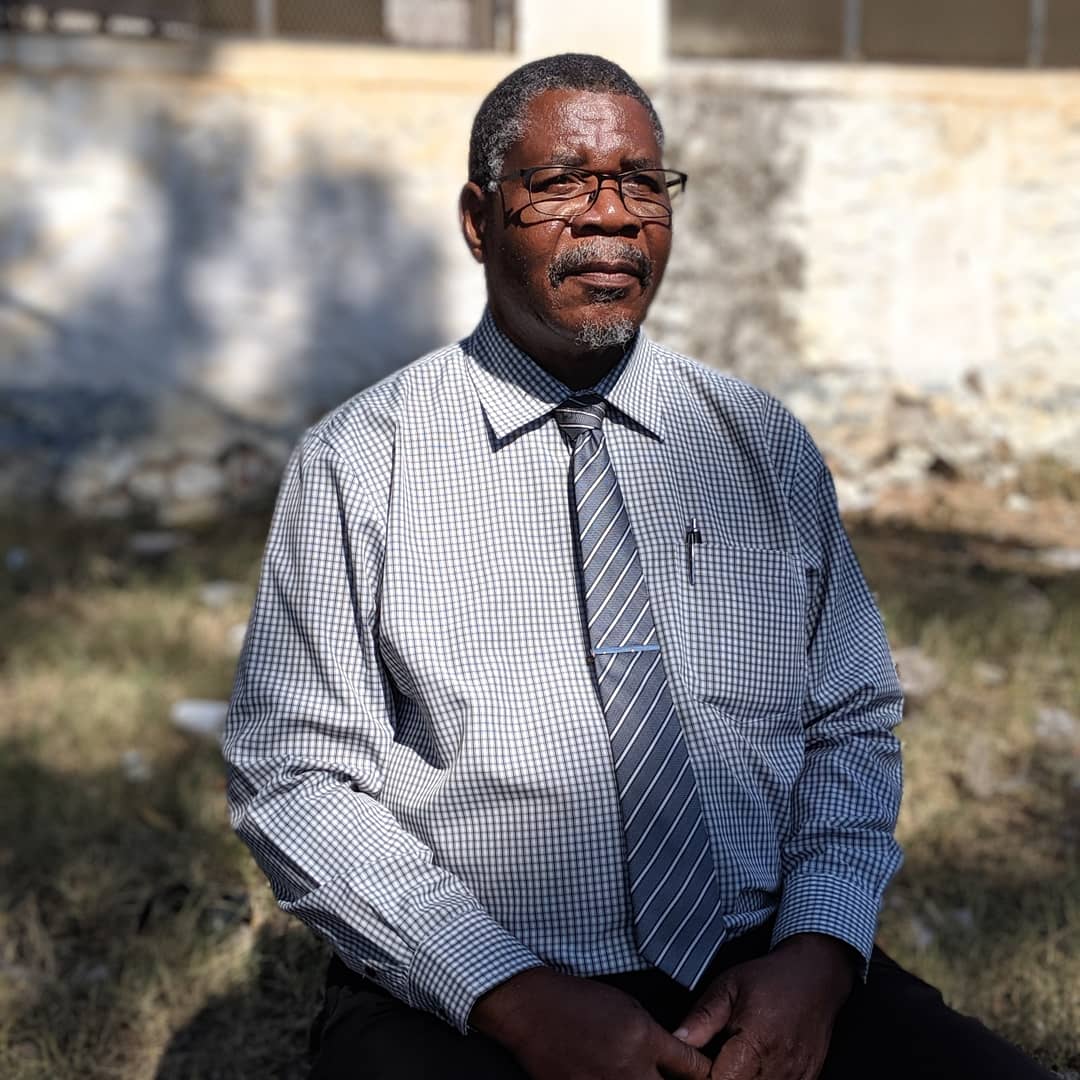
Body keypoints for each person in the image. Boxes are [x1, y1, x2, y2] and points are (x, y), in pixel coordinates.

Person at [223, 53, 1055, 1080]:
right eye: (561, 183)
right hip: (475, 989)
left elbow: (848, 720)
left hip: (760, 965)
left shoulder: (758, 443)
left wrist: (819, 952)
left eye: (642, 183)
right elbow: (296, 775)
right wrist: (512, 997)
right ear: (479, 221)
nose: (613, 214)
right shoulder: (363, 462)